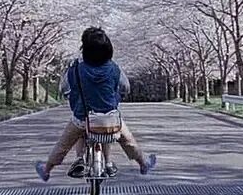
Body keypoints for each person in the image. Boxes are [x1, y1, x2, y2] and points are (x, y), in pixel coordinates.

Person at [35, 27, 156, 181]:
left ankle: (46, 170)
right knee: (128, 141)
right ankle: (143, 164)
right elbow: (125, 87)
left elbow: (64, 87)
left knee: (63, 144)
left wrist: (71, 96)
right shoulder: (114, 68)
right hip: (110, 118)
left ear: (84, 50)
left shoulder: (76, 68)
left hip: (82, 118)